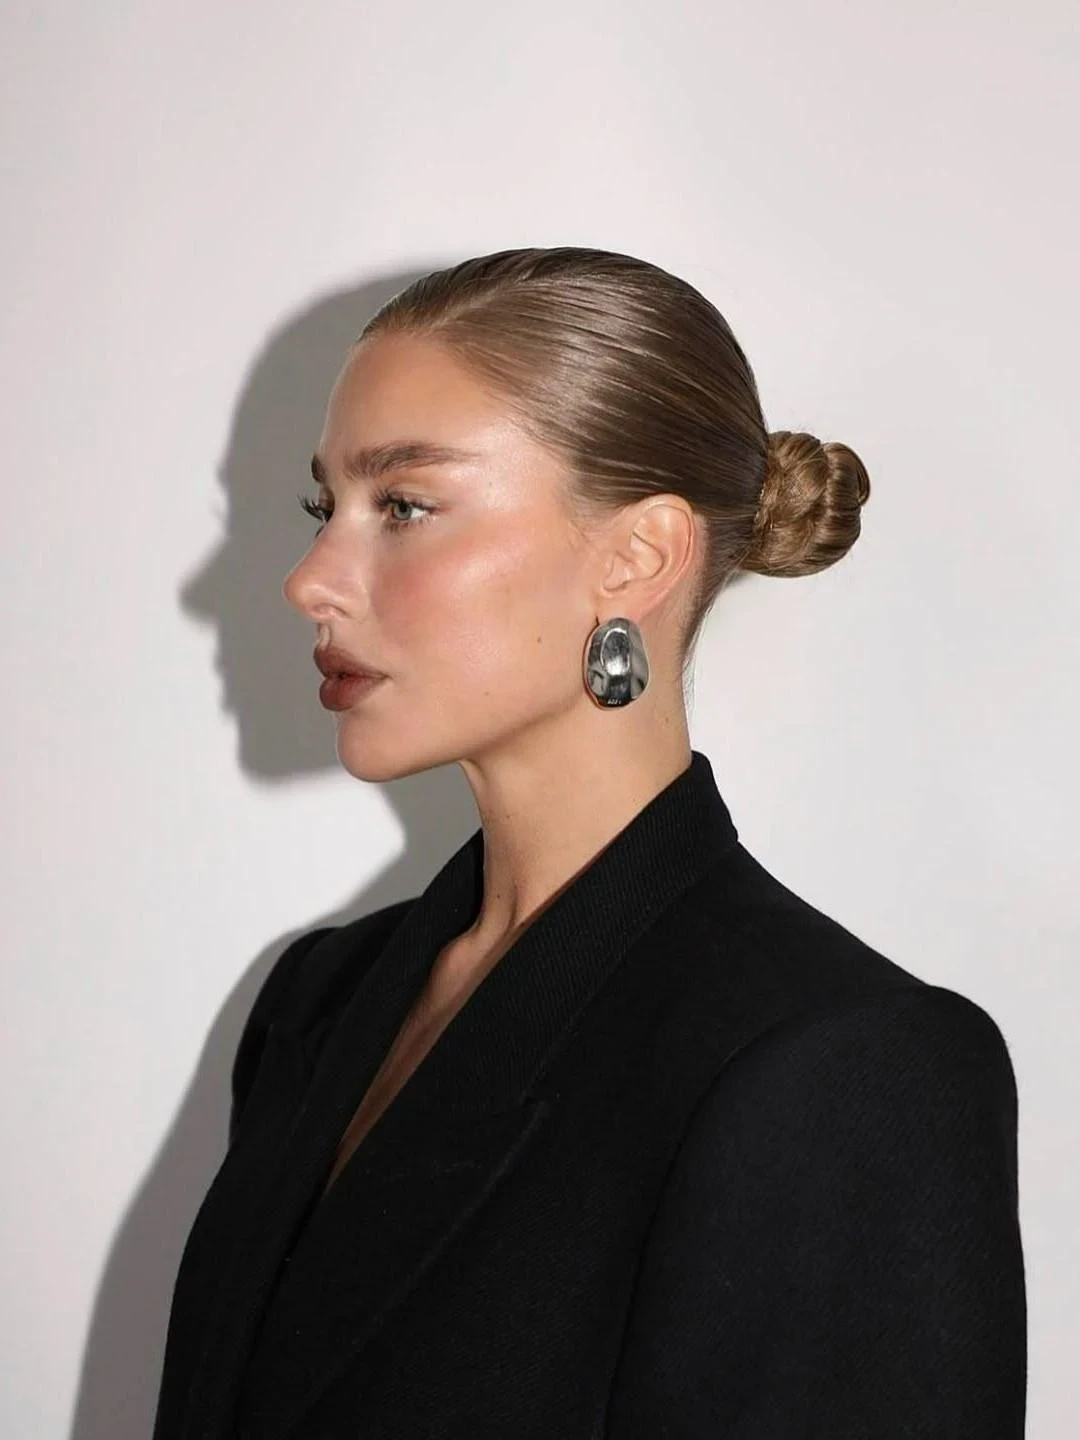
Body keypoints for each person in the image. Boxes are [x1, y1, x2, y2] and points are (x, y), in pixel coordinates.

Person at [151, 247, 1026, 1439]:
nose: (311, 580)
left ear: (637, 558)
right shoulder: (317, 1003)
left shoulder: (845, 1068)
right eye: (327, 509)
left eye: (402, 506)